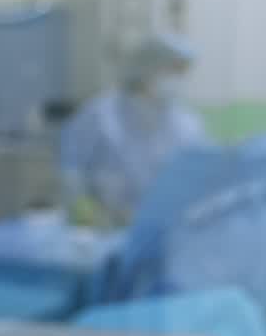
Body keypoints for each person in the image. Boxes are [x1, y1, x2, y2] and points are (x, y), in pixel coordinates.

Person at [60, 32, 209, 227]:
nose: (178, 79)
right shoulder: (100, 116)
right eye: (173, 70)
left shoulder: (187, 124)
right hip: (105, 231)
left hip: (165, 230)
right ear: (147, 67)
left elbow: (198, 178)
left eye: (182, 72)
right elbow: (72, 171)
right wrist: (86, 216)